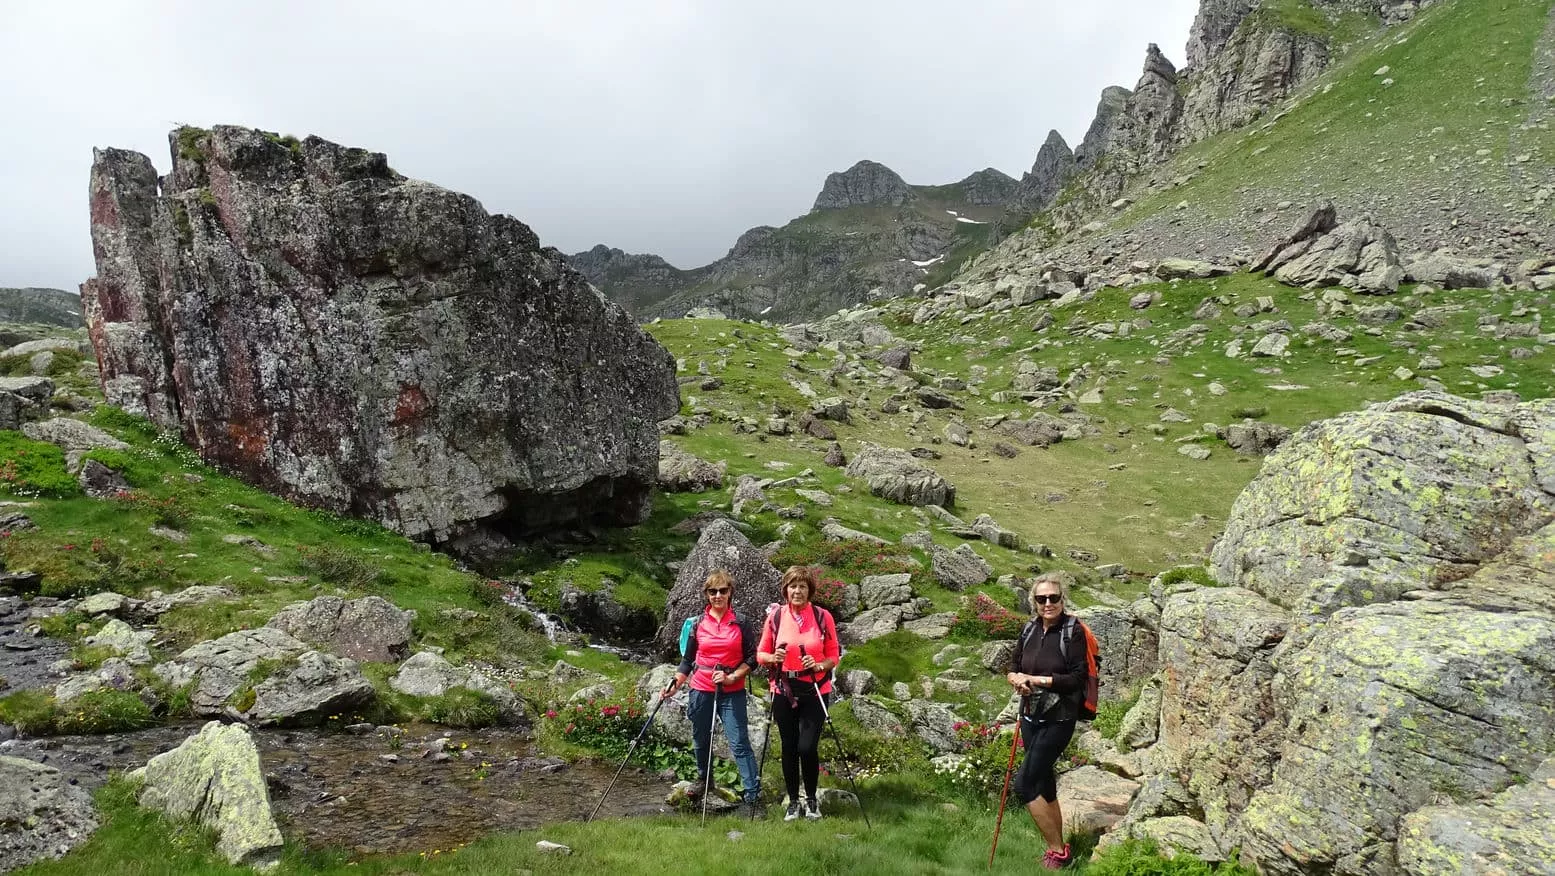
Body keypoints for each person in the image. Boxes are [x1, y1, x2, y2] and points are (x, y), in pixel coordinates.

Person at [1005, 573, 1090, 869]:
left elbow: (1077, 679)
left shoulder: (1072, 631)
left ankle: (1058, 852)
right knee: (1044, 781)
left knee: (1025, 785)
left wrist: (1037, 679)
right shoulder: (1029, 629)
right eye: (1041, 599)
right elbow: (1014, 665)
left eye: (1054, 597)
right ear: (1034, 602)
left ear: (1062, 599)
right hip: (1029, 715)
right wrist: (1016, 678)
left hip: (1059, 718)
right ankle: (1061, 843)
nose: (1048, 603)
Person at [666, 569, 762, 817]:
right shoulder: (697, 624)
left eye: (723, 591)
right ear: (706, 594)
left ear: (731, 593)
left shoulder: (741, 622)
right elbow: (687, 661)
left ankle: (752, 794)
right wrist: (675, 683)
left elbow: (753, 659)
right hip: (701, 688)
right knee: (700, 740)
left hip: (732, 691)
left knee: (739, 741)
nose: (718, 595)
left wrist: (732, 676)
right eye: (712, 591)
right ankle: (704, 781)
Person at [756, 565, 841, 822]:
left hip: (815, 688)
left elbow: (834, 655)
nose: (797, 591)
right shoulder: (776, 618)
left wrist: (819, 665)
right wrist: (773, 657)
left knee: (807, 747)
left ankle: (812, 799)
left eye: (802, 586)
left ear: (809, 590)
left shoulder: (823, 616)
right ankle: (793, 802)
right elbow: (760, 655)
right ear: (785, 590)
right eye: (793, 586)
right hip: (783, 689)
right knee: (789, 747)